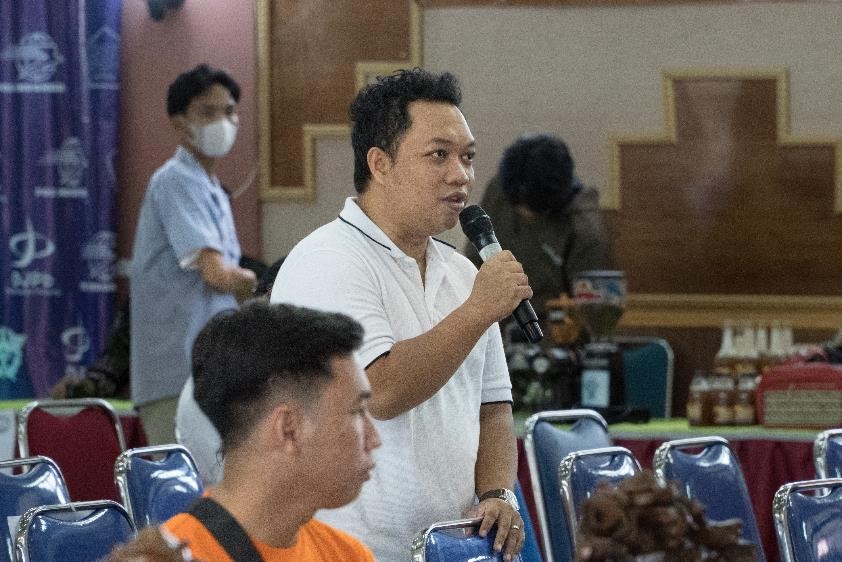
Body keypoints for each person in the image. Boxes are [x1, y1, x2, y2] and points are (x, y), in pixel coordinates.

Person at [271, 68, 528, 561]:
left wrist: (497, 493)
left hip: (451, 548)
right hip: (350, 550)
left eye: (467, 157)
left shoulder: (462, 272)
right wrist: (478, 310)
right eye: (439, 155)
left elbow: (493, 407)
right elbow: (382, 392)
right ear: (380, 163)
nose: (461, 175)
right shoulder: (329, 259)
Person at [162, 301, 380, 561]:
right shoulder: (171, 557)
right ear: (289, 429)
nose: (374, 439)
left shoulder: (347, 554)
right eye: (357, 412)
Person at [130, 64, 256, 444]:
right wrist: (258, 283)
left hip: (209, 370)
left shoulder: (211, 187)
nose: (222, 121)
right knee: (182, 479)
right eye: (207, 111)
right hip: (175, 374)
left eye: (229, 111)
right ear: (179, 122)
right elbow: (217, 275)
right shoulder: (175, 180)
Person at [465, 133, 613, 318]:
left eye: (530, 208)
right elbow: (472, 265)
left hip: (548, 327)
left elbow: (589, 314)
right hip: (492, 319)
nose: (522, 211)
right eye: (516, 203)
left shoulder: (584, 232)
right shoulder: (503, 189)